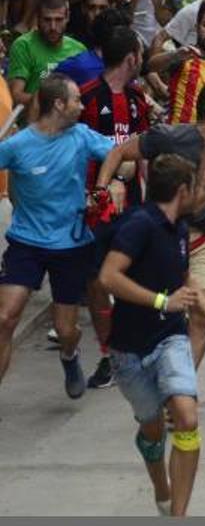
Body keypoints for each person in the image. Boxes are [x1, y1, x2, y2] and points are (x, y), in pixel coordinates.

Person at [99, 153, 205, 517]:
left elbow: (181, 276)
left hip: (170, 338)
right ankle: (161, 485)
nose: (200, 193)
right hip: (129, 349)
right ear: (182, 191)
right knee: (151, 429)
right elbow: (109, 277)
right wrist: (162, 300)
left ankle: (179, 520)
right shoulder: (139, 225)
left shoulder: (179, 226)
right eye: (195, 187)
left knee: (186, 417)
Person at [95, 83, 205, 370]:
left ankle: (181, 389)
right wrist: (101, 189)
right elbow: (119, 152)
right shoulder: (169, 137)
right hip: (163, 237)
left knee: (200, 317)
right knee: (156, 316)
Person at [0, 74, 115, 398]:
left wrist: (113, 180)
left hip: (72, 245)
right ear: (59, 104)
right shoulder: (17, 145)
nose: (82, 105)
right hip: (26, 242)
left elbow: (121, 156)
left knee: (66, 331)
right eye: (77, 99)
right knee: (5, 318)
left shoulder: (82, 135)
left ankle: (69, 356)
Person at [76, 26, 152, 390]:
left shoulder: (139, 98)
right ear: (131, 58)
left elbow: (145, 153)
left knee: (133, 274)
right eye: (140, 55)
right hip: (93, 206)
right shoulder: (87, 98)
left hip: (134, 205)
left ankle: (136, 347)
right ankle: (108, 354)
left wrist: (151, 197)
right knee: (95, 280)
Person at [7, 0, 87, 116]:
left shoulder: (79, 50)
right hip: (31, 126)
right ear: (37, 18)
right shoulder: (23, 45)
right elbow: (15, 96)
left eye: (59, 19)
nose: (53, 27)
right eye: (47, 20)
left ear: (68, 18)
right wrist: (53, 101)